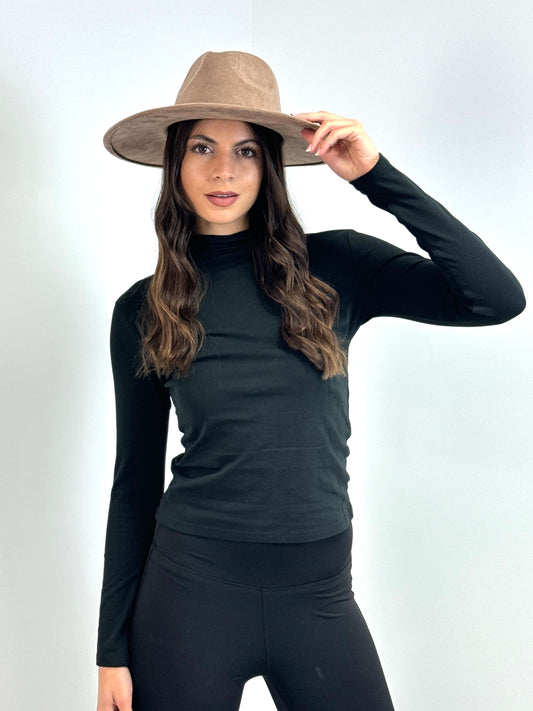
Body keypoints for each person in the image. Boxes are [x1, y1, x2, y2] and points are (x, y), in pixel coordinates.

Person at [95, 50, 525, 711]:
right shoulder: (143, 309)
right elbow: (133, 484)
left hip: (319, 596)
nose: (222, 169)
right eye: (202, 147)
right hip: (188, 595)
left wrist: (376, 176)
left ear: (269, 165)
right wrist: (111, 651)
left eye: (245, 151)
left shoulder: (336, 266)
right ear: (174, 161)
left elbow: (494, 298)